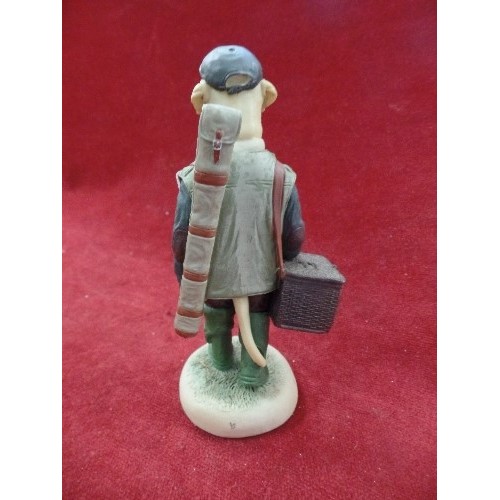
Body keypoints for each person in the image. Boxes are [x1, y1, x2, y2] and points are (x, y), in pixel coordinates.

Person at [172, 46, 305, 388]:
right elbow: (294, 233)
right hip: (261, 276)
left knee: (216, 315)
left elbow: (181, 237)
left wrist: (182, 272)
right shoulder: (280, 175)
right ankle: (253, 372)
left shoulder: (194, 177)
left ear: (201, 101)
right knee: (256, 317)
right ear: (265, 96)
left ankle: (219, 359)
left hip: (212, 276)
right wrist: (288, 259)